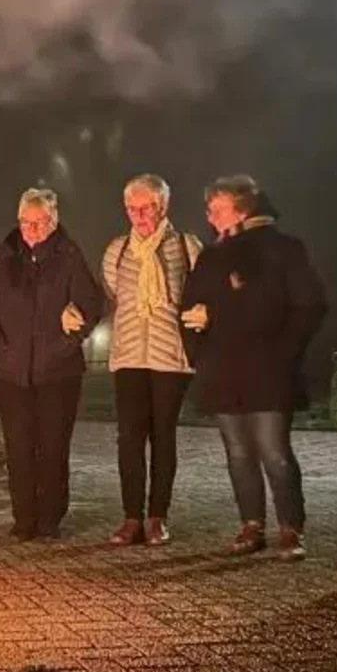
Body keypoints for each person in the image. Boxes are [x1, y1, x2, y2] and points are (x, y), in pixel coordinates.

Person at [180, 175, 326, 561]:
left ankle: (291, 528)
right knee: (238, 451)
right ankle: (251, 525)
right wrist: (198, 337)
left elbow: (309, 305)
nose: (209, 216)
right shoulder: (212, 257)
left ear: (242, 210)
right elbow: (190, 304)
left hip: (269, 369)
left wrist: (285, 353)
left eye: (217, 209)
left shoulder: (284, 250)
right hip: (224, 368)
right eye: (209, 210)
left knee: (274, 451)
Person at [0, 188, 106, 540]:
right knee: (18, 447)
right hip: (10, 373)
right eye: (25, 222)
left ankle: (50, 519)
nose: (31, 230)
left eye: (39, 223)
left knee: (52, 447)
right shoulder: (6, 257)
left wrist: (68, 340)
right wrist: (1, 349)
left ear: (53, 221)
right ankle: (23, 519)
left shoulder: (69, 256)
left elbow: (92, 305)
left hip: (58, 373)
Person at [101, 174, 202, 546]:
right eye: (132, 208)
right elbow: (113, 294)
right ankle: (131, 517)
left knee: (163, 437)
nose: (139, 215)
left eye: (147, 208)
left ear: (163, 207)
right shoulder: (117, 250)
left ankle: (157, 517)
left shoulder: (187, 247)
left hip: (169, 359)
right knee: (128, 438)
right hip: (128, 355)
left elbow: (202, 292)